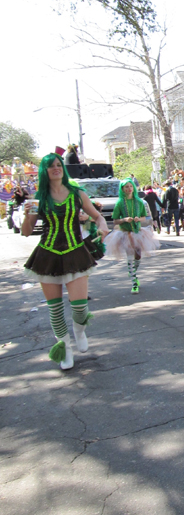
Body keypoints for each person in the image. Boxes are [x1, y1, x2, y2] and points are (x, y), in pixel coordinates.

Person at [21, 152, 109, 370]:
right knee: (56, 309)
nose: (56, 168)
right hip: (47, 255)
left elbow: (97, 216)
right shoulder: (36, 199)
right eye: (50, 166)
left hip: (75, 253)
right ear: (45, 171)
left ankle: (79, 331)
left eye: (58, 165)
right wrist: (26, 215)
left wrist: (103, 226)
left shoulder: (77, 194)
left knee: (80, 308)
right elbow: (25, 232)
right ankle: (65, 348)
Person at [104, 178, 159, 292]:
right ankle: (134, 283)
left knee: (138, 256)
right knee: (130, 257)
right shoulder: (120, 203)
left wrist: (139, 219)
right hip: (125, 234)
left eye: (130, 186)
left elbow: (144, 216)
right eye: (126, 187)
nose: (129, 189)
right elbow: (115, 220)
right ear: (122, 189)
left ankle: (132, 271)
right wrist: (124, 219)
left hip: (138, 232)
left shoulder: (139, 202)